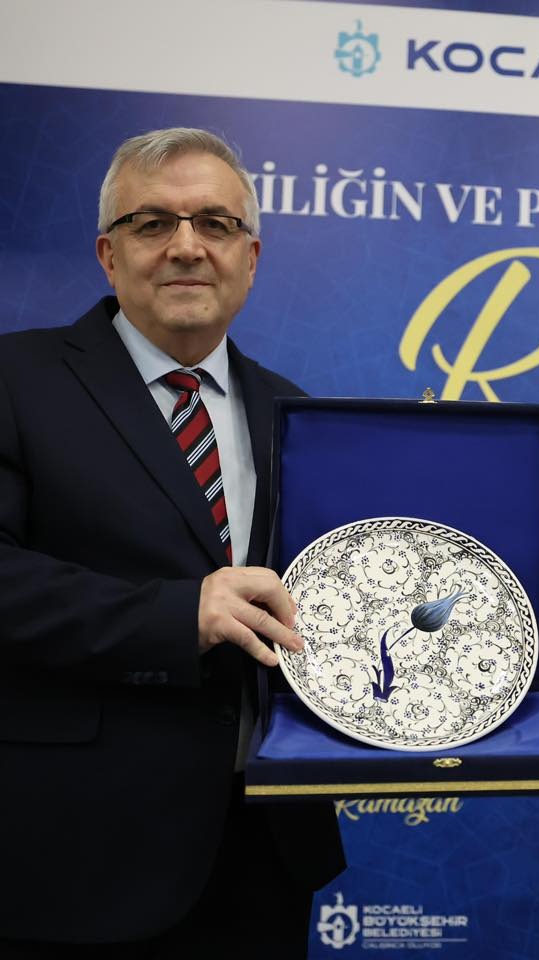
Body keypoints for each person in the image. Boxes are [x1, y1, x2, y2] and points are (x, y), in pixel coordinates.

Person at [0, 128, 344, 958]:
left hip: (265, 852)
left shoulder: (296, 411)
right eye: (152, 223)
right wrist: (176, 616)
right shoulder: (15, 379)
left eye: (215, 224)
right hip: (74, 851)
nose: (187, 246)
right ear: (108, 255)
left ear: (249, 259)